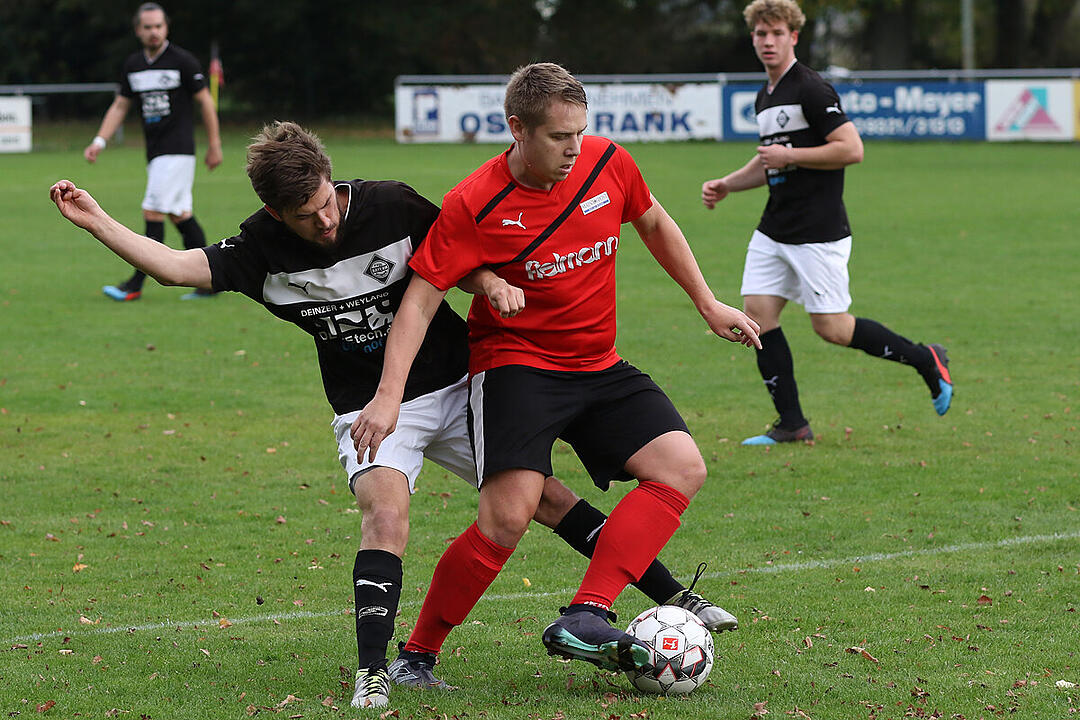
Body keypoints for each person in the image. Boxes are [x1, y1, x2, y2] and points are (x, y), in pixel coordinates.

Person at [51, 121, 737, 710]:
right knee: (386, 512)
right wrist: (98, 221)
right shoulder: (259, 249)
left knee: (542, 501)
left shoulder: (388, 204)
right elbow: (174, 266)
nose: (324, 222)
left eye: (325, 204)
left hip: (459, 382)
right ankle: (375, 672)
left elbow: (452, 255)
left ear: (331, 177)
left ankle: (675, 597)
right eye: (305, 218)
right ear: (272, 212)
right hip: (371, 405)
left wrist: (489, 280)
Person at [351, 63, 760, 688]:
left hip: (598, 364)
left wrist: (707, 302)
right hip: (515, 367)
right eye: (558, 136)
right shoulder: (474, 201)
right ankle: (417, 657)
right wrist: (387, 398)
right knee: (507, 519)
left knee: (682, 467)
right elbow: (422, 296)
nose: (574, 148)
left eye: (580, 132)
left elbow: (653, 221)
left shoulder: (607, 163)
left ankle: (587, 612)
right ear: (517, 129)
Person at [700, 0, 953, 446]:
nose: (768, 41)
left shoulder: (812, 89)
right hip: (774, 227)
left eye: (777, 33)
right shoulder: (766, 96)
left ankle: (925, 359)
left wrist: (790, 155)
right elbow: (769, 162)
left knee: (831, 328)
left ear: (794, 36)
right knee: (757, 317)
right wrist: (727, 184)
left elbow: (851, 149)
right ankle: (792, 424)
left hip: (817, 230)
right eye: (761, 34)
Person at [83, 2, 222, 302]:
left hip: (177, 150)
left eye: (158, 26)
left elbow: (206, 103)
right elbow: (120, 105)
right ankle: (211, 281)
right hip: (156, 153)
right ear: (138, 30)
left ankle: (135, 284)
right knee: (179, 214)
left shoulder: (183, 61)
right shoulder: (133, 65)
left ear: (166, 28)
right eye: (147, 27)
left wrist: (214, 144)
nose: (153, 32)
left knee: (152, 210)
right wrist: (100, 141)